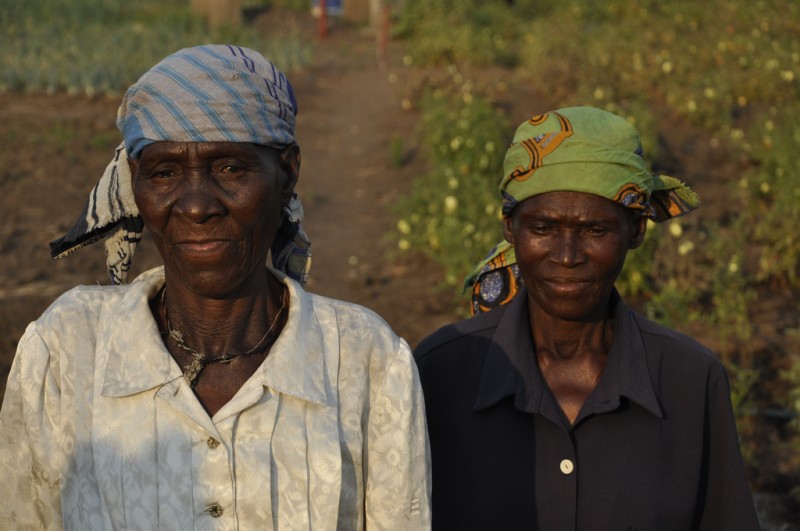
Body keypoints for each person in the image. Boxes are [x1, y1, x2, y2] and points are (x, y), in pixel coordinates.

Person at [0, 44, 431, 530]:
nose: (196, 206)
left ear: (287, 173)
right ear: (136, 184)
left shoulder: (365, 360)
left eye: (230, 168)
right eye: (165, 173)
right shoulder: (67, 350)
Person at [414, 107, 760, 530]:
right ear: (510, 227)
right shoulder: (441, 372)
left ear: (636, 230)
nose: (566, 255)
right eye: (542, 227)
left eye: (595, 231)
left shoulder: (689, 380)